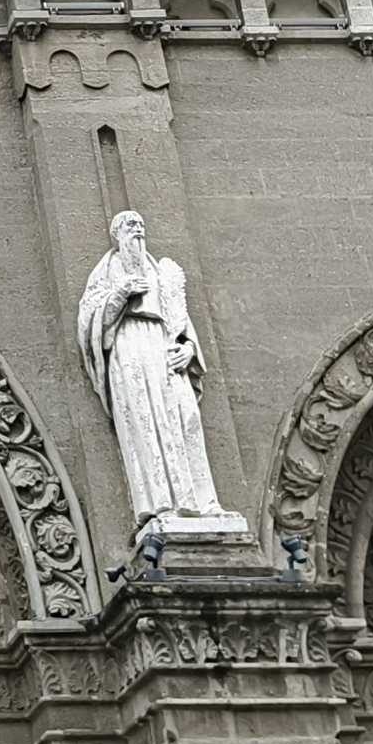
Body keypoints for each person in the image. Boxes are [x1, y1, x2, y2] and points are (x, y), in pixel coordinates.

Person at [75, 211, 226, 530]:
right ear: (117, 233)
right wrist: (119, 294)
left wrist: (188, 350)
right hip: (129, 347)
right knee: (147, 420)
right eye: (131, 226)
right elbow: (88, 318)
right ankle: (163, 504)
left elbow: (180, 317)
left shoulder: (159, 271)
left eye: (141, 225)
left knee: (187, 417)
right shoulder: (107, 271)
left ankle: (203, 501)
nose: (138, 230)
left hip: (164, 347)